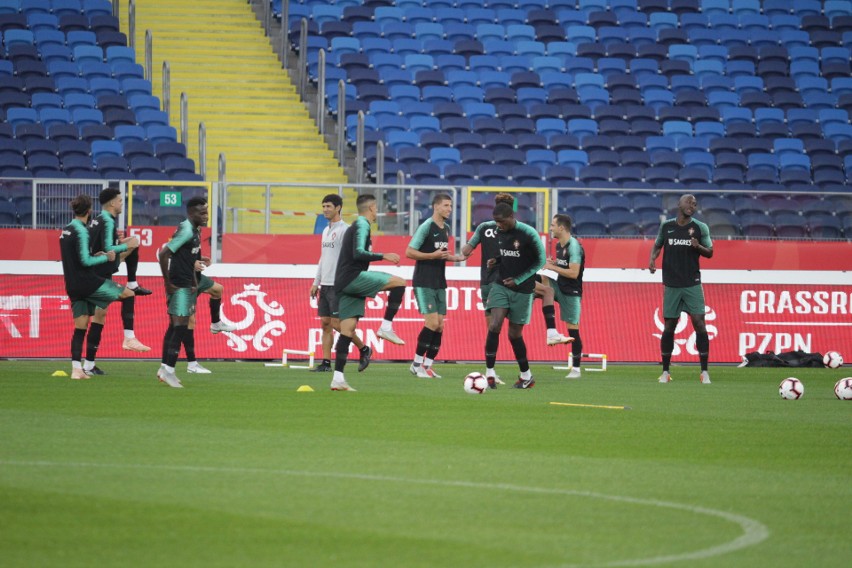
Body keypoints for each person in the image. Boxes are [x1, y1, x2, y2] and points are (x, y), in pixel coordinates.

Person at [331, 194, 407, 391]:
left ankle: (337, 379)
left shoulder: (357, 226)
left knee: (346, 330)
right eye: (376, 208)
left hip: (343, 282)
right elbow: (358, 253)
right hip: (352, 278)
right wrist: (385, 255)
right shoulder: (362, 224)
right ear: (372, 208)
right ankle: (386, 327)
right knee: (400, 283)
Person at [157, 196, 235, 388]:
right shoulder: (185, 230)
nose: (206, 216)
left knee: (176, 326)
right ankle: (169, 372)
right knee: (179, 326)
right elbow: (164, 254)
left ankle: (165, 369)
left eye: (207, 212)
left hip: (189, 280)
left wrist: (197, 265)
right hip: (179, 283)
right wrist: (168, 284)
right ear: (192, 213)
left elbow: (186, 254)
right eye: (202, 213)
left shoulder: (195, 229)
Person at [59, 194, 137, 379]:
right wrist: (105, 257)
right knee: (128, 294)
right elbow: (86, 261)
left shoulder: (66, 230)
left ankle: (77, 370)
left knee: (80, 327)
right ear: (89, 211)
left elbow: (78, 257)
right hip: (87, 282)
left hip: (72, 285)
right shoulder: (82, 231)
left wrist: (96, 254)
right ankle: (128, 338)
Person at [83, 188, 151, 376]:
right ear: (112, 203)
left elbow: (98, 247)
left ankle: (88, 365)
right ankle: (129, 337)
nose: (122, 203)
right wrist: (124, 245)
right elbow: (109, 248)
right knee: (127, 296)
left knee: (99, 317)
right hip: (98, 275)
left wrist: (124, 245)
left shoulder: (98, 219)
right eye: (120, 201)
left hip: (98, 270)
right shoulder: (107, 221)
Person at [648, 193, 714, 384]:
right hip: (671, 284)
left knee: (700, 324)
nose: (692, 206)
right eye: (688, 202)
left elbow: (710, 252)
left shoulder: (700, 228)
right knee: (669, 326)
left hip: (692, 283)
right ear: (679, 204)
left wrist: (698, 247)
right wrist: (652, 259)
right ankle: (665, 372)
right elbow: (657, 245)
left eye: (695, 204)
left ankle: (704, 372)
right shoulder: (667, 226)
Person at [482, 202, 546, 389]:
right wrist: (497, 261)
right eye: (495, 222)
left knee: (514, 334)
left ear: (511, 217)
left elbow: (540, 260)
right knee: (494, 325)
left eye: (501, 221)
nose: (498, 226)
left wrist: (519, 279)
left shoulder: (528, 233)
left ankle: (526, 376)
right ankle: (490, 374)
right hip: (501, 285)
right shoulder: (500, 231)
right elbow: (511, 254)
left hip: (523, 290)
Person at [309, 193, 372, 373]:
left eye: (328, 206)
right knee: (325, 324)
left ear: (338, 208)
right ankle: (326, 363)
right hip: (325, 284)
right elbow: (324, 258)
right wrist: (316, 281)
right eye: (323, 207)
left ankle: (363, 348)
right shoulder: (325, 230)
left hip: (339, 284)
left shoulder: (344, 230)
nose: (325, 210)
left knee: (338, 324)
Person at [406, 193, 464, 379]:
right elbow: (409, 252)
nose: (449, 209)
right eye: (446, 205)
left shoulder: (446, 228)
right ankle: (416, 365)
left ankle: (428, 365)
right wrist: (432, 256)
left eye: (451, 206)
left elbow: (442, 254)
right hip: (424, 281)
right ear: (436, 206)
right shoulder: (426, 227)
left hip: (439, 281)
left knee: (439, 326)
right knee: (431, 322)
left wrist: (456, 258)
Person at [542, 214, 585, 379]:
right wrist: (553, 264)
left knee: (573, 331)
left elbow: (574, 273)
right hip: (559, 286)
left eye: (553, 225)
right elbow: (564, 266)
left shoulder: (574, 247)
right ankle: (551, 329)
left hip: (571, 293)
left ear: (561, 228)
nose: (550, 228)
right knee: (539, 281)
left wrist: (552, 268)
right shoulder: (559, 245)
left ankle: (576, 370)